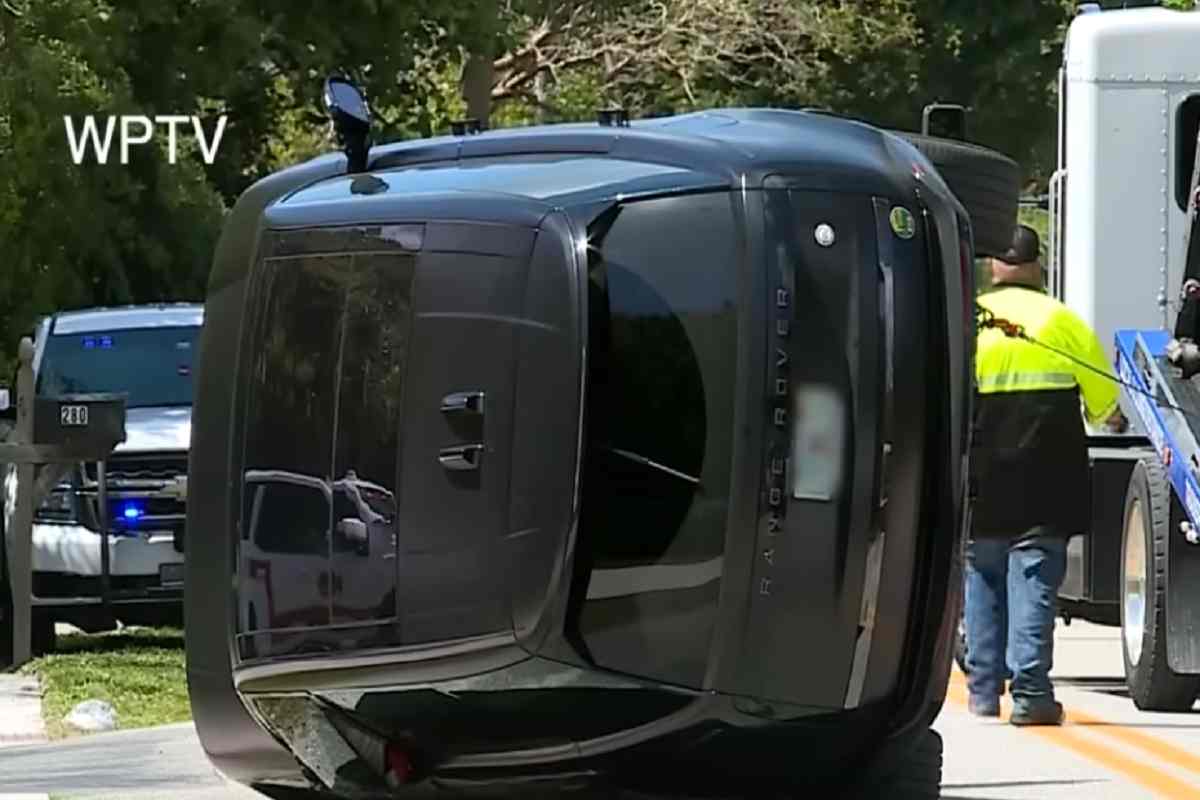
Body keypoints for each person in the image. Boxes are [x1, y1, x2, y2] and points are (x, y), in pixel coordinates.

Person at [966, 224, 1126, 725]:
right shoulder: (1063, 321)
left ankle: (983, 692)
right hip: (1046, 479)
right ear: (1037, 267)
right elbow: (1106, 409)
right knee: (1034, 577)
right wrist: (1115, 420)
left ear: (994, 266)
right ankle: (1031, 694)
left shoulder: (972, 322)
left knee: (982, 573)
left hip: (982, 478)